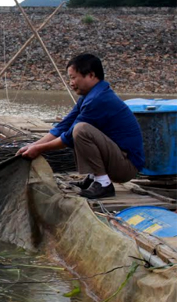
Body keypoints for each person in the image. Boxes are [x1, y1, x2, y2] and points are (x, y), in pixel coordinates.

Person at [17, 53, 145, 199]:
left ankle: (103, 184)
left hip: (126, 167)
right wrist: (34, 144)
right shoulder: (89, 96)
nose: (70, 83)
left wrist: (39, 149)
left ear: (91, 75)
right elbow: (64, 125)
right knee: (77, 129)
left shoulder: (98, 99)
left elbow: (68, 137)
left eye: (73, 77)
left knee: (81, 130)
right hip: (117, 160)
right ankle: (93, 178)